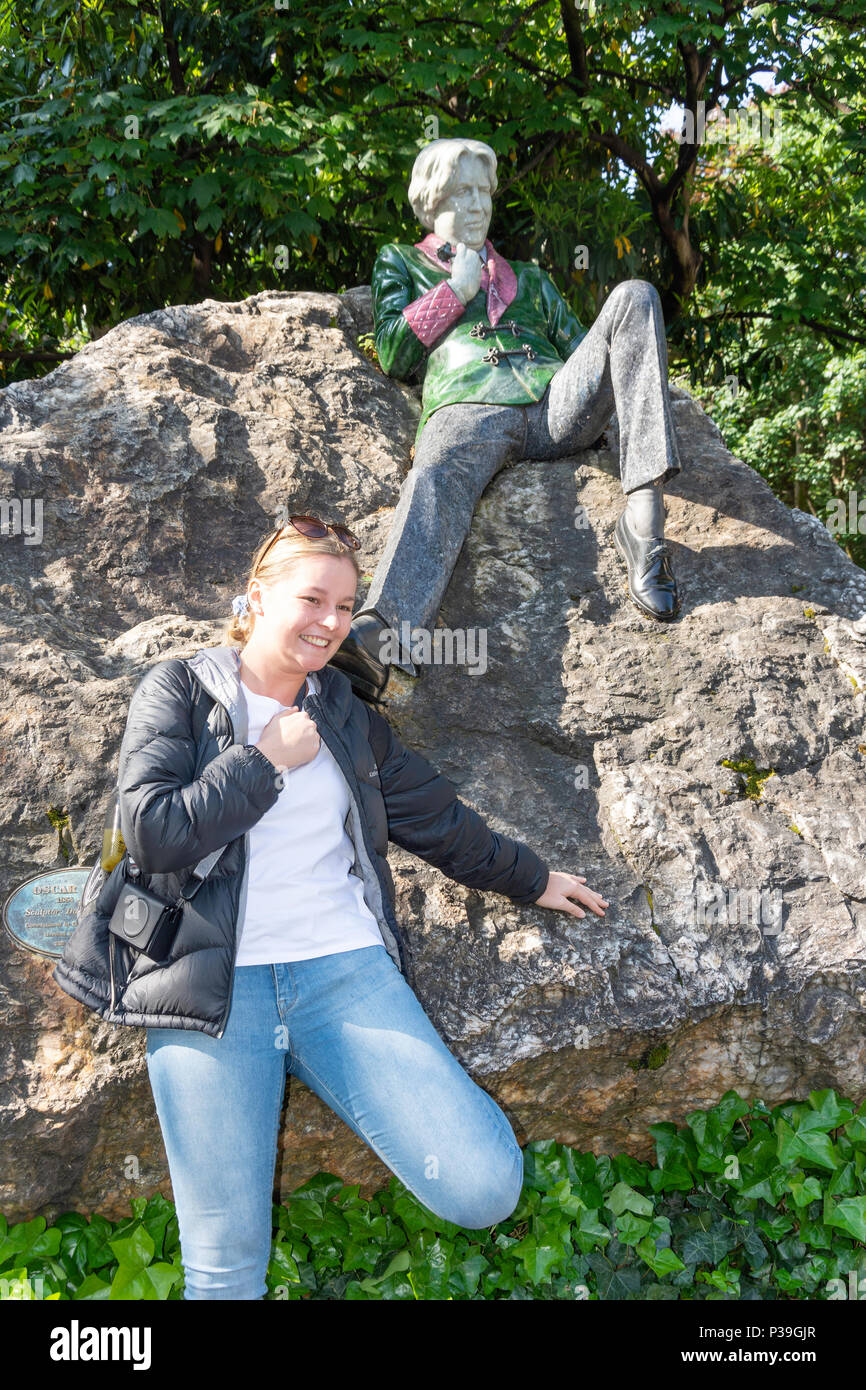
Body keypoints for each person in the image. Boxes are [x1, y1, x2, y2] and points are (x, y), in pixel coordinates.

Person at [53, 513, 608, 1301]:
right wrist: (262, 763)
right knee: (224, 1267)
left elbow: (436, 819)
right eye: (314, 599)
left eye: (345, 607)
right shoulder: (178, 689)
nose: (330, 623)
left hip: (341, 973)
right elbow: (153, 834)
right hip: (207, 988)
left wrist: (532, 878)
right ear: (256, 597)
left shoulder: (345, 713)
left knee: (483, 1186)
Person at [333, 136, 684, 704]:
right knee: (436, 474)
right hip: (468, 407)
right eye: (460, 192)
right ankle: (386, 631)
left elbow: (598, 354)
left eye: (483, 192)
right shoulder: (400, 262)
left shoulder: (533, 278)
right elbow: (395, 353)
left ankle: (644, 525)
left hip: (555, 406)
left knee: (637, 295)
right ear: (429, 201)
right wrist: (455, 291)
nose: (476, 204)